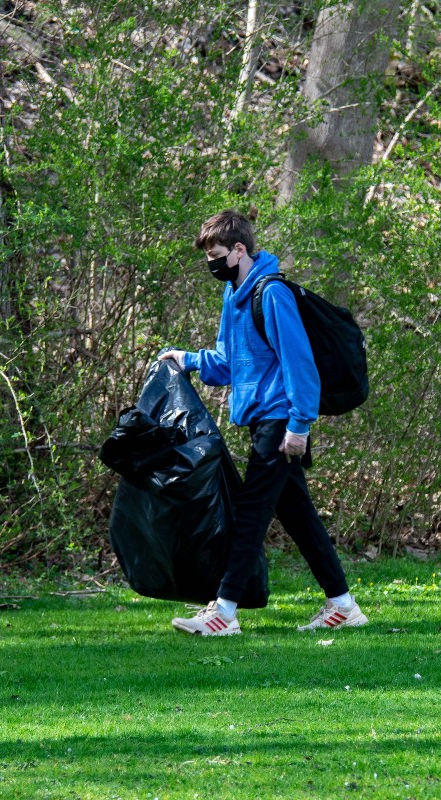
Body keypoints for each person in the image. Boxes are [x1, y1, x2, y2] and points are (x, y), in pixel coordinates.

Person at [159, 210, 367, 634]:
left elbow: (300, 364)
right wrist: (188, 360)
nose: (211, 264)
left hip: (281, 420)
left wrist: (300, 425)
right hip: (261, 420)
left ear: (239, 250)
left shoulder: (271, 294)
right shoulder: (234, 297)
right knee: (298, 516)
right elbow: (228, 363)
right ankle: (344, 606)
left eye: (216, 254)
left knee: (251, 512)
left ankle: (224, 612)